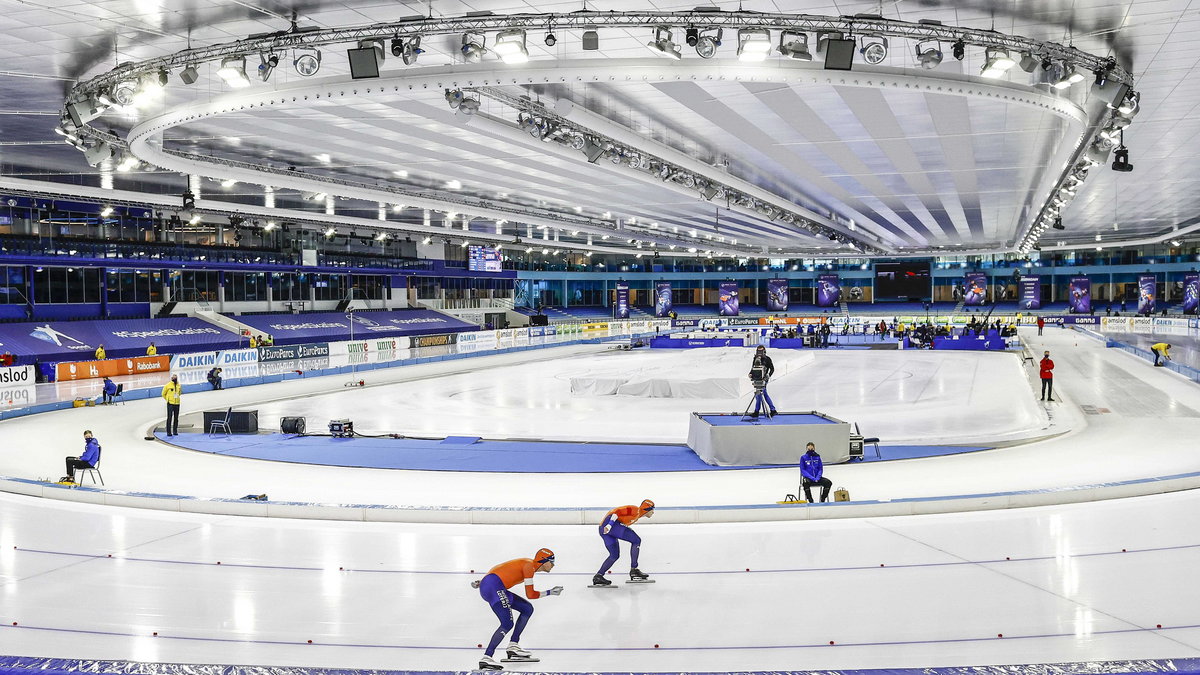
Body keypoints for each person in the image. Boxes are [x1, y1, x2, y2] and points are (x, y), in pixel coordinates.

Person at [471, 548, 562, 671]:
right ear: (544, 561)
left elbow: (503, 569)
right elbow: (530, 594)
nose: (553, 565)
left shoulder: (529, 564)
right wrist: (550, 592)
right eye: (552, 562)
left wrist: (483, 580)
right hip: (493, 586)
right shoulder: (529, 566)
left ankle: (513, 646)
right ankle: (487, 657)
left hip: (493, 584)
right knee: (507, 623)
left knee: (527, 608)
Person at [592, 499, 655, 587]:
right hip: (610, 525)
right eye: (652, 509)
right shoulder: (634, 510)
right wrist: (609, 525)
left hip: (603, 529)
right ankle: (634, 570)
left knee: (614, 555)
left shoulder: (638, 515)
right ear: (647, 509)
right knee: (636, 540)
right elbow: (616, 512)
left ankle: (598, 576)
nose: (653, 512)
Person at [748, 345, 777, 419]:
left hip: (764, 379)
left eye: (761, 351)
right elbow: (753, 368)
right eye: (758, 351)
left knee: (760, 395)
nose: (759, 353)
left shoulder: (767, 359)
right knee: (759, 395)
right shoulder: (755, 359)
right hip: (757, 379)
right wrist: (750, 373)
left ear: (764, 351)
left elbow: (772, 369)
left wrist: (768, 375)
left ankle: (758, 411)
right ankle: (772, 410)